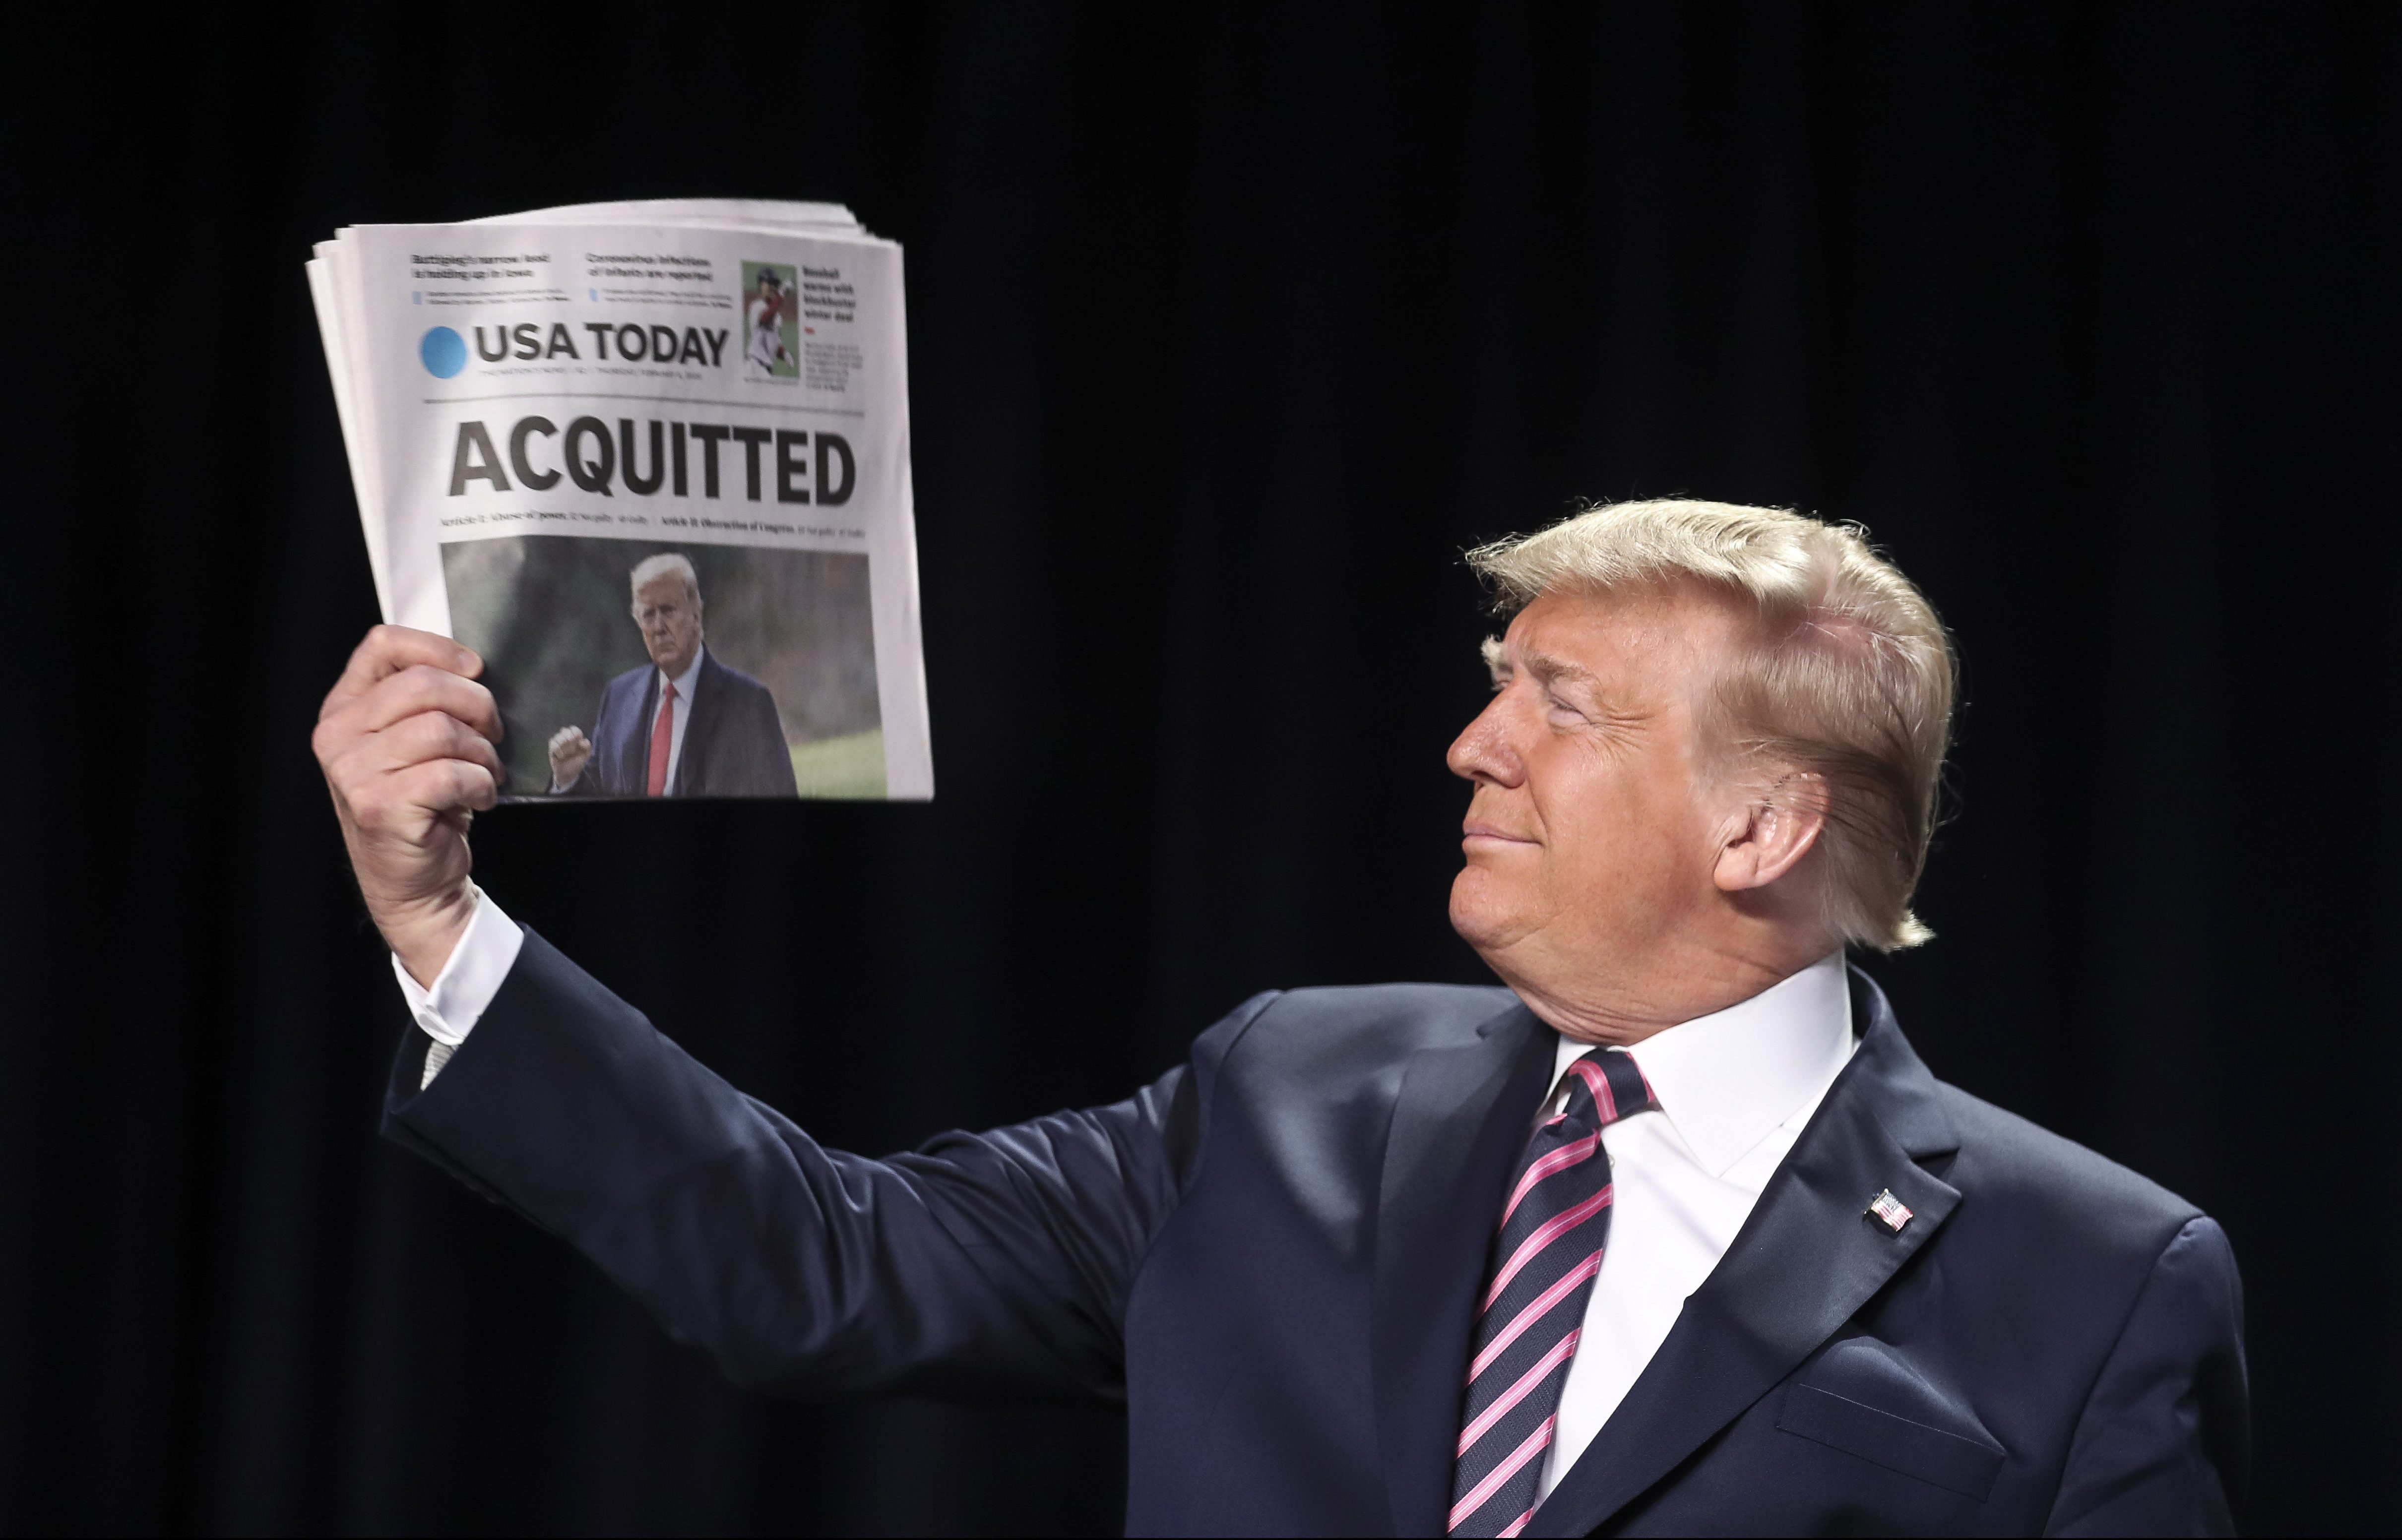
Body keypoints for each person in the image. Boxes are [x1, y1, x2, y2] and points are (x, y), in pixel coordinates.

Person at [312, 500, 2246, 1535]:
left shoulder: (2093, 1281)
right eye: (1497, 680)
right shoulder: (1291, 1091)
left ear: (1762, 824)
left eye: (1561, 704)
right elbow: (828, 1260)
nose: (1472, 742)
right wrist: (439, 921)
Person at [546, 553, 798, 800]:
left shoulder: (749, 704)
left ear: (696, 615)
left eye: (668, 611)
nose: (658, 628)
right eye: (648, 615)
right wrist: (567, 781)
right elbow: (595, 797)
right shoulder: (618, 698)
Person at [745, 267, 793, 375]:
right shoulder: (757, 306)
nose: (773, 288)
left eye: (775, 285)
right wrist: (781, 295)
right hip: (754, 365)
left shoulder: (778, 317)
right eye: (770, 283)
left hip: (766, 370)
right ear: (762, 285)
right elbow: (766, 319)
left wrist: (784, 354)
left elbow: (775, 344)